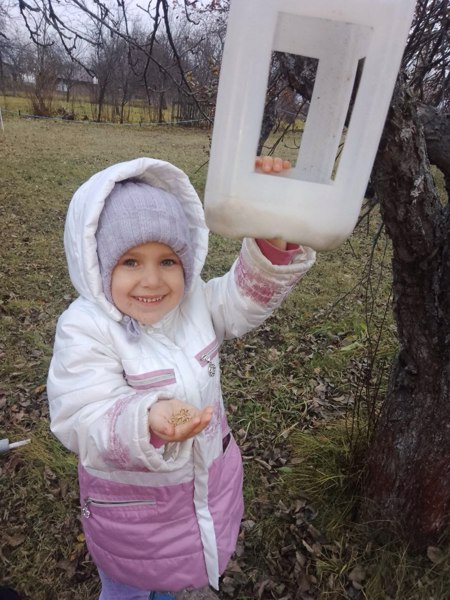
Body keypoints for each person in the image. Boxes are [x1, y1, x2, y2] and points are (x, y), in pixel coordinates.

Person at [47, 155, 316, 600]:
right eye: (130, 261)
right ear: (97, 264)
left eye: (168, 261)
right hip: (133, 515)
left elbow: (243, 298)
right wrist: (145, 418)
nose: (151, 280)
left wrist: (272, 228)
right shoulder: (85, 328)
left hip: (206, 487)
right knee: (131, 587)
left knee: (174, 575)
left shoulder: (194, 306)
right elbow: (81, 413)